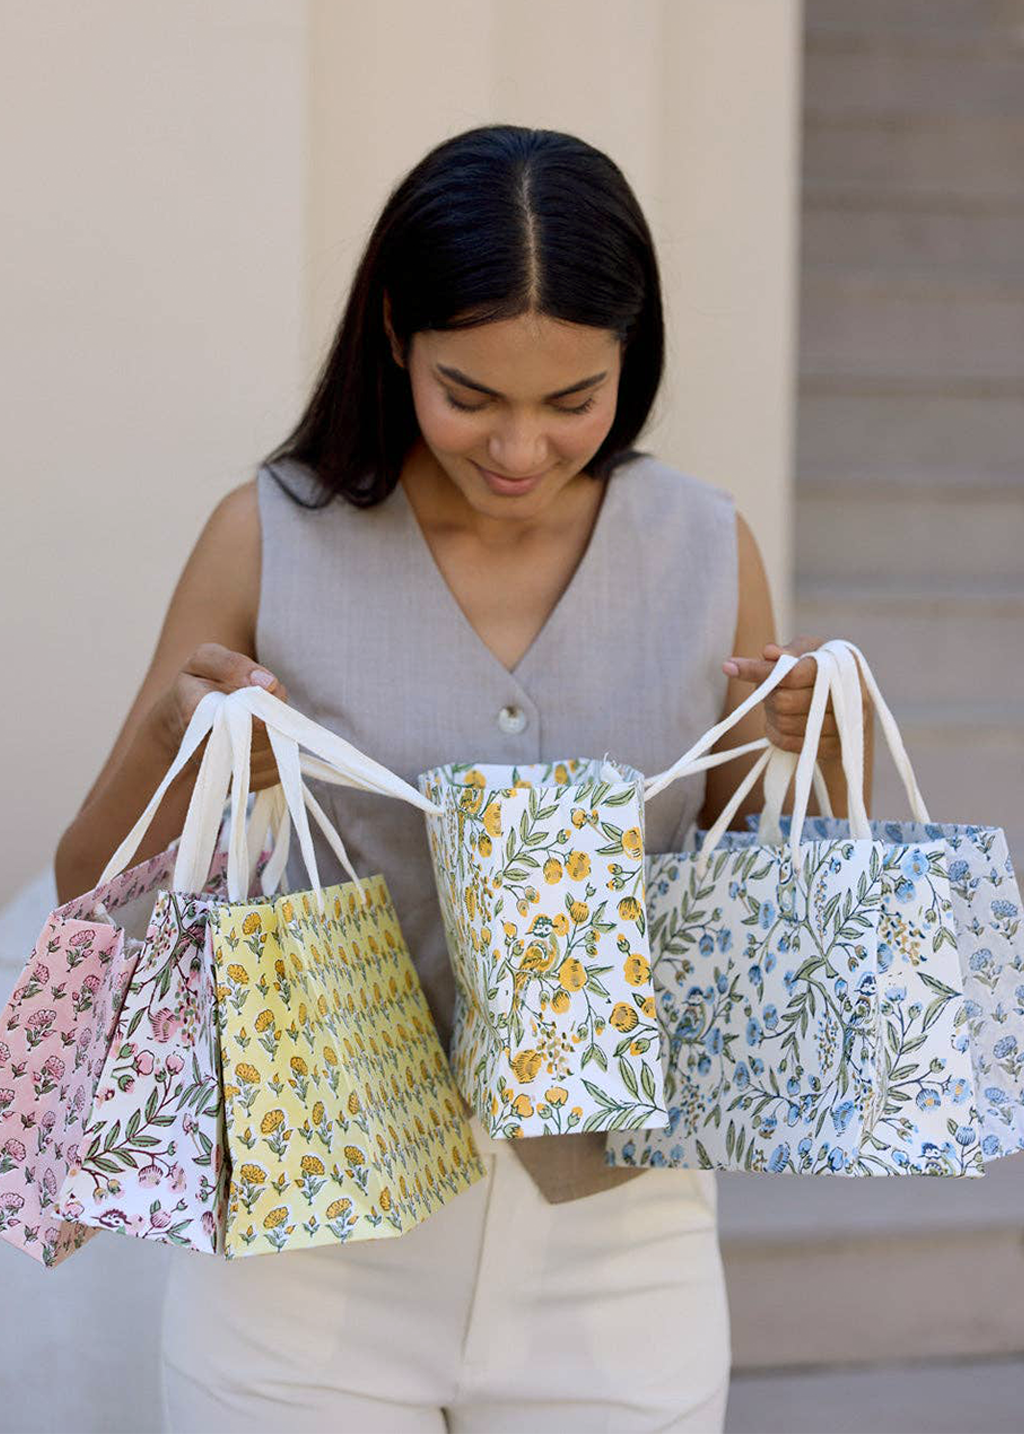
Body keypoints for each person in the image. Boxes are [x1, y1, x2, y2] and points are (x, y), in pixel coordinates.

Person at [55, 124, 872, 1434]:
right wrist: (175, 734)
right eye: (470, 394)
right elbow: (87, 883)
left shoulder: (706, 545)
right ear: (393, 333)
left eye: (573, 400)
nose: (519, 449)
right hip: (306, 1242)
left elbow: (759, 911)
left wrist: (811, 755)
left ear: (633, 355)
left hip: (622, 1257)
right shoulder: (269, 533)